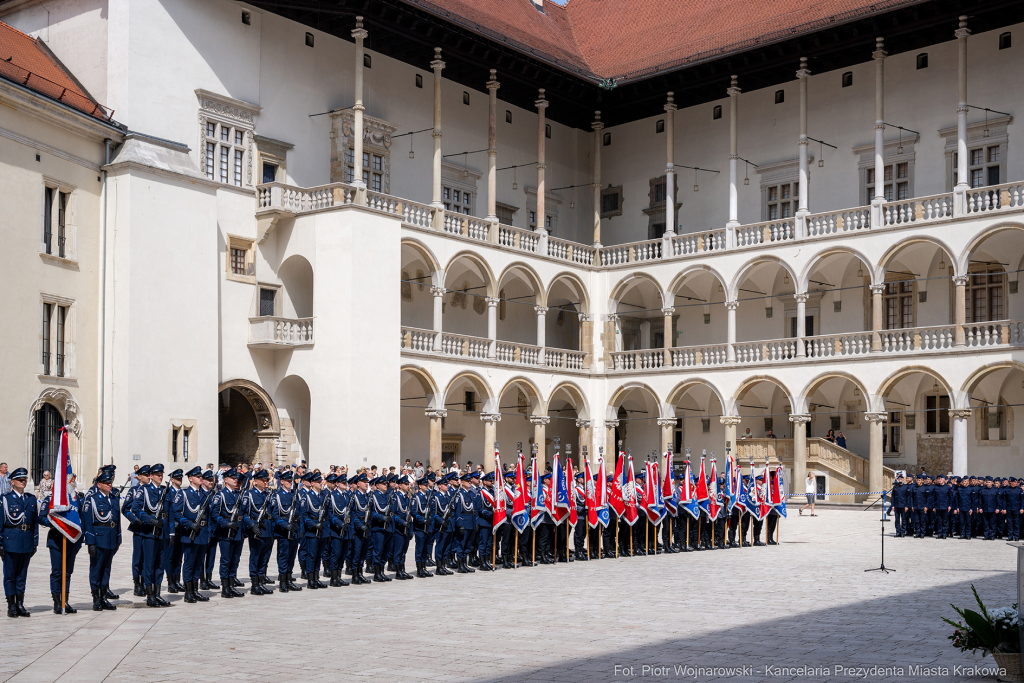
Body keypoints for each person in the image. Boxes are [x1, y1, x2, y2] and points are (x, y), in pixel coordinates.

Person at [38, 473, 83, 614]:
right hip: (56, 540)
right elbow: (41, 518)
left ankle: (65, 601)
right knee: (57, 572)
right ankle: (57, 603)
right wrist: (52, 523)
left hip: (72, 541)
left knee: (67, 572)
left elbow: (81, 518)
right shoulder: (50, 499)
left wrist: (80, 540)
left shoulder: (76, 501)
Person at [131, 463, 172, 607]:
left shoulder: (165, 491)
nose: (160, 477)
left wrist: (170, 530)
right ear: (151, 476)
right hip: (149, 533)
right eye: (157, 475)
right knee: (149, 564)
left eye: (161, 475)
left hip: (162, 532)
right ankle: (149, 595)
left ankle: (157, 594)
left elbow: (169, 511)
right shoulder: (144, 490)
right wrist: (150, 520)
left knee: (160, 565)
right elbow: (135, 508)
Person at [82, 469, 120, 611]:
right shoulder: (92, 499)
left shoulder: (114, 498)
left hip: (110, 538)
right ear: (99, 484)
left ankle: (104, 597)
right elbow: (87, 522)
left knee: (106, 569)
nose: (109, 485)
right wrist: (90, 542)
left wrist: (118, 538)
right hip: (98, 539)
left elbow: (117, 522)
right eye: (106, 483)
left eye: (110, 482)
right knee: (96, 569)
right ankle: (96, 599)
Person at [2, 468, 38, 617]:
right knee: (10, 574)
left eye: (24, 479)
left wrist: (35, 541)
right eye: (20, 480)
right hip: (10, 540)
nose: (23, 482)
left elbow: (34, 522)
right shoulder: (5, 499)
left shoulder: (31, 499)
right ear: (13, 482)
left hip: (26, 541)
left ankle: (20, 604)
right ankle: (11, 605)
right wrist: (0, 543)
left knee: (22, 574)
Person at [173, 466, 212, 604]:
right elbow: (176, 513)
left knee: (198, 563)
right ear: (190, 479)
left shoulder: (204, 494)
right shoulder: (183, 494)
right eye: (198, 476)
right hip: (190, 532)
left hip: (202, 533)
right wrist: (189, 525)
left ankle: (195, 590)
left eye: (201, 476)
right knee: (189, 563)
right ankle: (188, 592)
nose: (200, 478)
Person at [211, 469, 247, 598]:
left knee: (235, 560)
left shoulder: (239, 494)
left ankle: (232, 585)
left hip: (238, 531)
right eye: (232, 478)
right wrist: (225, 523)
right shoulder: (220, 495)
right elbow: (214, 514)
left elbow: (243, 512)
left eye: (235, 478)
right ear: (225, 480)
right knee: (226, 560)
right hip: (226, 531)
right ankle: (225, 587)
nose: (235, 479)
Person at [242, 469, 275, 595]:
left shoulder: (268, 495)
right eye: (263, 480)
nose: (266, 482)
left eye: (267, 480)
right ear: (255, 481)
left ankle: (261, 582)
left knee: (264, 558)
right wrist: (251, 526)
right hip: (257, 531)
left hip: (268, 531)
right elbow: (245, 513)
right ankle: (254, 585)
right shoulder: (249, 494)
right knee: (255, 558)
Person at [269, 469, 303, 592]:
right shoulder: (277, 495)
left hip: (294, 528)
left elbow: (299, 509)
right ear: (282, 482)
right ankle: (283, 581)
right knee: (283, 556)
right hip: (283, 530)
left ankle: (289, 579)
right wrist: (284, 525)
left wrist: (296, 516)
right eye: (288, 481)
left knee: (292, 556)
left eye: (291, 481)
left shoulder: (294, 494)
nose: (290, 482)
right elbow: (275, 514)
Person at [164, 469, 185, 594]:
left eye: (181, 478)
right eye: (177, 478)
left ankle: (177, 580)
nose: (180, 480)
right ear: (172, 480)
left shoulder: (183, 493)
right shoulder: (168, 492)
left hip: (181, 528)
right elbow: (170, 511)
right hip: (172, 527)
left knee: (179, 556)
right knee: (170, 556)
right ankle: (170, 582)